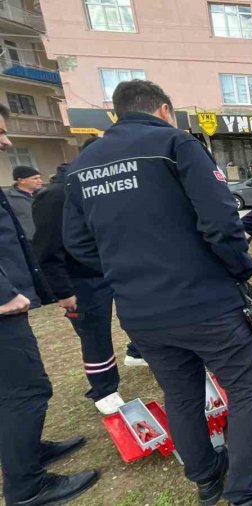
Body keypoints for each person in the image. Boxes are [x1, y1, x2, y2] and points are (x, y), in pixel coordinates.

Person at [62, 80, 252, 506]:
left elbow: (77, 243)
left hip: (140, 311)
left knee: (181, 394)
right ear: (164, 110)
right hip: (206, 302)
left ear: (118, 113)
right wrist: (240, 270)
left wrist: (129, 272)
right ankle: (245, 495)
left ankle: (207, 480)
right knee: (245, 390)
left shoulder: (83, 164)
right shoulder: (175, 144)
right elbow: (221, 221)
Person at [0, 103, 99, 506]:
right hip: (4, 309)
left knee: (14, 392)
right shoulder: (57, 194)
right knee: (27, 391)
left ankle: (25, 450)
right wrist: (4, 294)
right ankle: (27, 487)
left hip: (16, 298)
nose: (6, 142)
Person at [32, 139, 146, 416]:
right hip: (82, 279)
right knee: (95, 333)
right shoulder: (56, 195)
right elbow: (46, 248)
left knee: (139, 314)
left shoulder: (104, 186)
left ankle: (136, 351)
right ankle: (104, 389)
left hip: (115, 269)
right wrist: (63, 291)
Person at [4, 165, 43, 241]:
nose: (40, 181)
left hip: (49, 239)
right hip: (26, 240)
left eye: (39, 178)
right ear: (21, 180)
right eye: (35, 178)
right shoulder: (7, 197)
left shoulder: (46, 193)